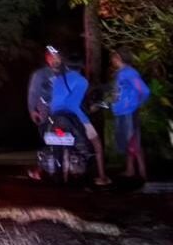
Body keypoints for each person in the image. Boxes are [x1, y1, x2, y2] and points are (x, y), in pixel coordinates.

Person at [27, 46, 109, 185]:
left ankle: (57, 174)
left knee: (56, 143)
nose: (55, 59)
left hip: (54, 115)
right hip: (67, 114)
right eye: (52, 57)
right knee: (96, 143)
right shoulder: (80, 80)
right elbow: (77, 101)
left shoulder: (59, 78)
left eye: (57, 57)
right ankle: (102, 176)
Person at [110, 50, 151, 181]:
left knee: (134, 141)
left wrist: (135, 104)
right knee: (130, 142)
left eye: (114, 57)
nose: (112, 60)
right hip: (122, 111)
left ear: (120, 58)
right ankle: (130, 170)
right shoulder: (121, 73)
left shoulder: (130, 72)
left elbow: (144, 91)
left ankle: (142, 172)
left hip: (129, 112)